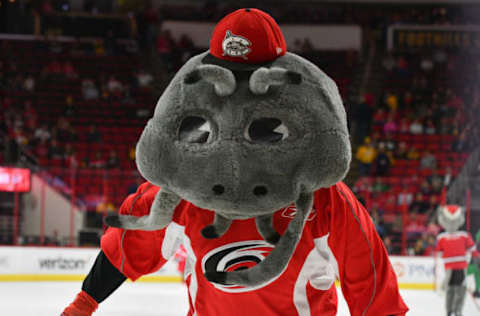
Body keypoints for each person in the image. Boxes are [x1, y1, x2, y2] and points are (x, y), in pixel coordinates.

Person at [62, 9, 408, 316]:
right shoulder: (186, 190)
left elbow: (369, 279)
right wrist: (85, 302)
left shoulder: (324, 198)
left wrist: (86, 302)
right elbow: (129, 242)